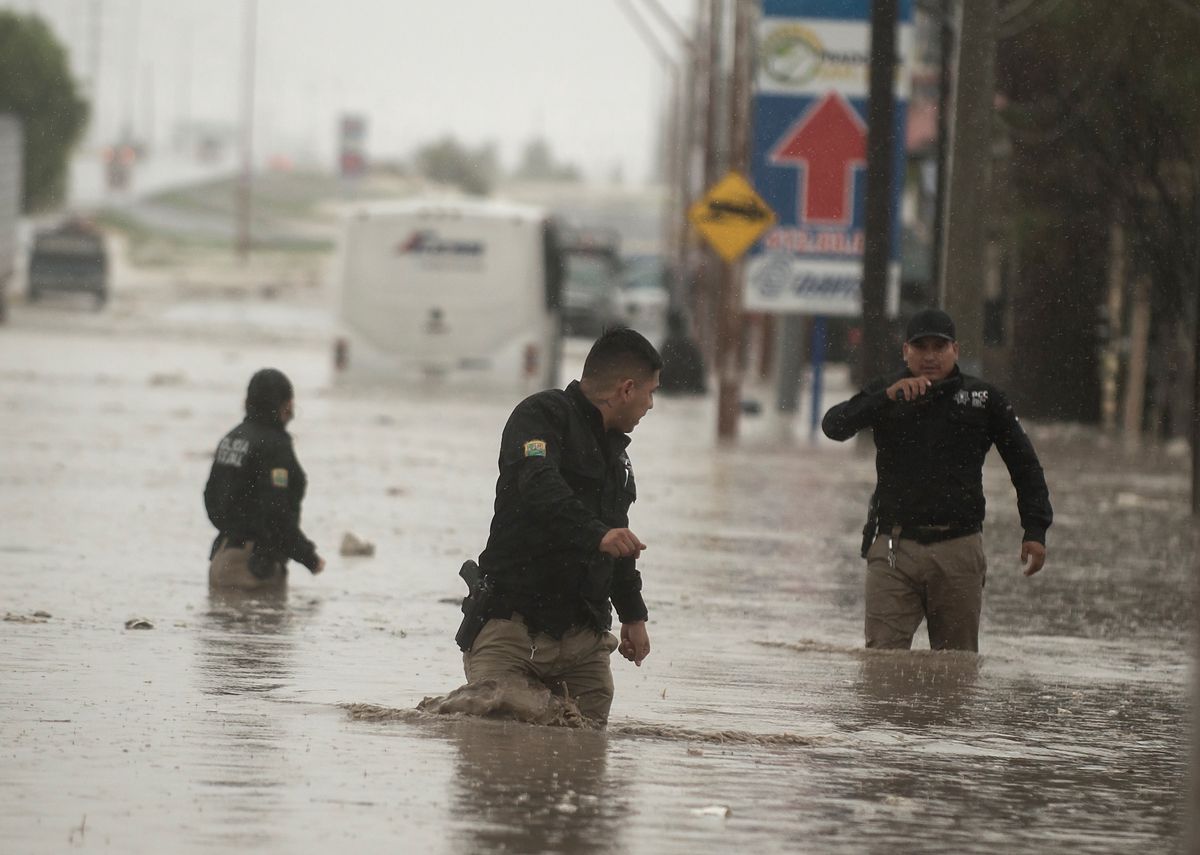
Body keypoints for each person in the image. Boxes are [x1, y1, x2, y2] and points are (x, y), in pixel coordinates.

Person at [457, 327, 661, 726]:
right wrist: (595, 533)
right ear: (625, 389)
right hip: (512, 628)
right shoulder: (541, 417)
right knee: (494, 753)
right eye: (650, 393)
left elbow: (620, 541)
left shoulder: (618, 456)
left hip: (584, 642)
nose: (650, 405)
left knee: (584, 764)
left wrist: (633, 617)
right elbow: (536, 482)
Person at [821, 308, 1052, 652]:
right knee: (882, 664)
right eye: (920, 347)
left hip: (958, 547)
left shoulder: (983, 400)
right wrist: (884, 399)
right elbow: (833, 425)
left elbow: (1025, 465)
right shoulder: (887, 393)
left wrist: (1035, 529)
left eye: (939, 347)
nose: (930, 356)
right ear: (905, 352)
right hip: (893, 548)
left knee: (955, 669)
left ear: (955, 350)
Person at [204, 368, 325, 589]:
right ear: (285, 404)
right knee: (265, 622)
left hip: (220, 562)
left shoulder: (232, 438)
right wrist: (309, 557)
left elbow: (210, 498)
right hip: (252, 571)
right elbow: (276, 513)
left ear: (248, 401)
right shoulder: (274, 446)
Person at [657, 309, 707, 395]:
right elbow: (699, 369)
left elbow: (660, 370)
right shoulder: (690, 345)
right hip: (690, 388)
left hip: (670, 389)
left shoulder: (668, 346)